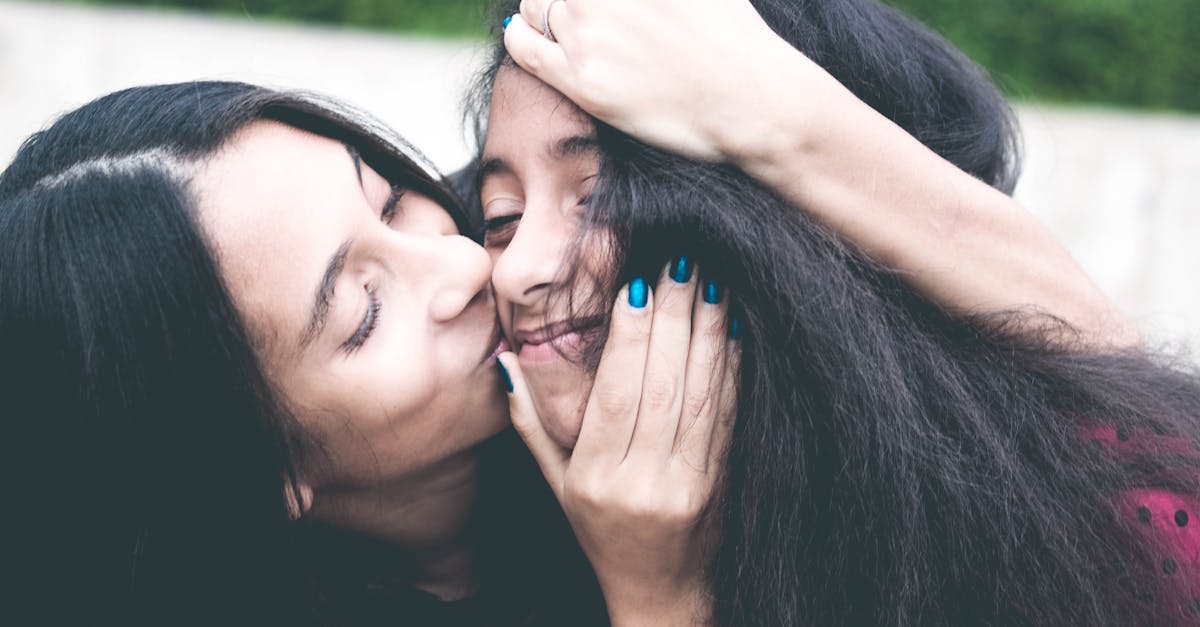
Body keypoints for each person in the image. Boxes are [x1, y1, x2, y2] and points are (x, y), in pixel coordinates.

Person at [474, 0, 1200, 623]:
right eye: (499, 215)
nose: (519, 269)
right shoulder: (495, 534)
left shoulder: (1098, 541)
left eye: (597, 196)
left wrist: (661, 602)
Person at [0, 81, 740, 625]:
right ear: (261, 477)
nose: (467, 264)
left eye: (389, 201)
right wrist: (660, 598)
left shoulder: (519, 226)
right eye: (366, 314)